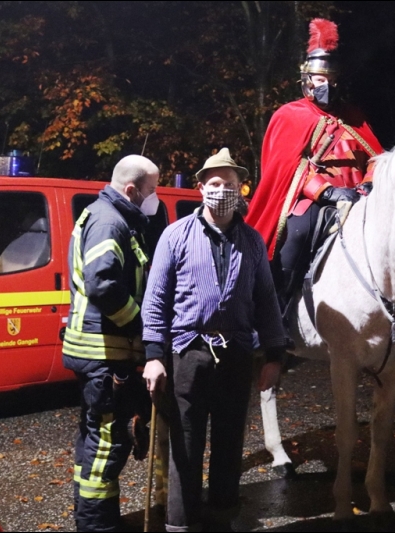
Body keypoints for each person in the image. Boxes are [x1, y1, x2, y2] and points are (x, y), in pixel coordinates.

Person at [141, 148, 286, 532]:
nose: (223, 191)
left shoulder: (252, 242)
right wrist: (154, 355)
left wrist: (274, 353)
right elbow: (155, 299)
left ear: (241, 190)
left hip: (236, 353)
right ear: (201, 187)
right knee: (185, 447)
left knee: (228, 444)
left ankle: (222, 517)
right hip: (187, 353)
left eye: (231, 185)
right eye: (216, 183)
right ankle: (181, 525)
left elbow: (267, 300)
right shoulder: (175, 235)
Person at [245, 17, 383, 306]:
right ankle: (277, 309)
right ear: (307, 80)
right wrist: (327, 191)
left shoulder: (354, 116)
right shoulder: (290, 114)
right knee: (298, 231)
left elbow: (376, 159)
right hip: (314, 199)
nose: (328, 86)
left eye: (332, 80)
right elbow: (288, 167)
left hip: (360, 198)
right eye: (321, 80)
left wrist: (369, 185)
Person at [62, 154, 159, 532]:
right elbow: (102, 284)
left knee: (93, 442)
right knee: (107, 445)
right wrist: (141, 325)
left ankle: (93, 522)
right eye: (151, 190)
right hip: (104, 355)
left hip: (95, 353)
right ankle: (98, 527)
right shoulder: (110, 221)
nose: (155, 198)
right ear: (132, 189)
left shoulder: (107, 216)